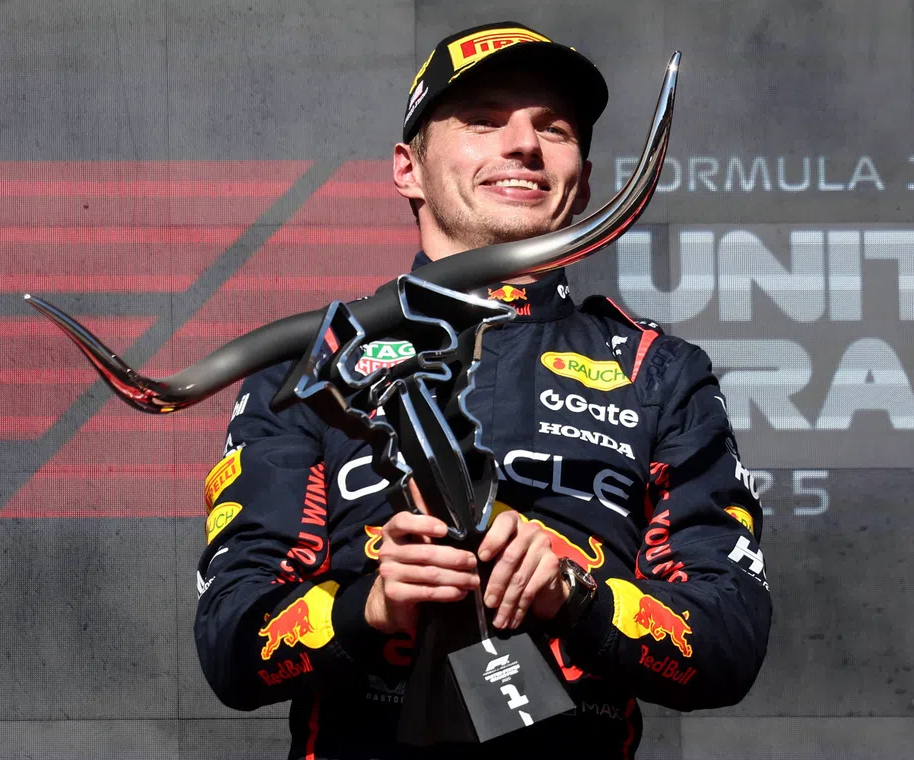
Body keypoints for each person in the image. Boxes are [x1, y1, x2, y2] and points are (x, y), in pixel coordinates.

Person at [195, 21, 772, 760]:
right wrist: (370, 609)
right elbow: (230, 645)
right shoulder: (310, 368)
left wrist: (577, 596)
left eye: (553, 129)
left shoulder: (659, 370)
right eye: (483, 121)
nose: (524, 145)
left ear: (584, 180)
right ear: (408, 168)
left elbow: (729, 642)